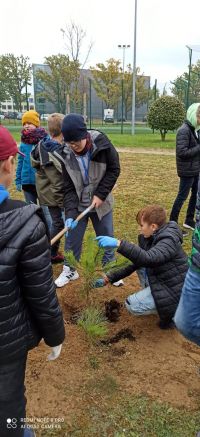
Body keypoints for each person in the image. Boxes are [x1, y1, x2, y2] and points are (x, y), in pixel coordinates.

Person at [0, 126, 65, 437]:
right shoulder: (24, 221)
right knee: (9, 409)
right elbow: (41, 293)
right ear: (8, 164)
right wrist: (55, 336)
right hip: (6, 344)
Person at [54, 113, 121, 288]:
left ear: (85, 135)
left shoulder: (103, 145)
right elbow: (67, 187)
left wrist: (101, 194)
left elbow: (114, 169)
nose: (73, 146)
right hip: (78, 204)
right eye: (69, 142)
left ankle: (110, 269)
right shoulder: (65, 153)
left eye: (76, 141)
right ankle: (70, 269)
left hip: (101, 202)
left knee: (106, 235)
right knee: (72, 238)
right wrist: (69, 213)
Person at [95, 204, 188, 329]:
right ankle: (155, 298)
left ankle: (175, 313)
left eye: (142, 225)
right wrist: (109, 278)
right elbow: (136, 262)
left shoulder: (168, 240)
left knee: (132, 305)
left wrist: (119, 243)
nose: (139, 229)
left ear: (153, 226)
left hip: (176, 289)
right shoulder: (148, 238)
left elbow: (149, 258)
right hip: (163, 280)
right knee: (140, 264)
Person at [31, 113, 65, 263]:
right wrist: (64, 203)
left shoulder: (44, 144)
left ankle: (51, 252)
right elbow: (57, 183)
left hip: (47, 193)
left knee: (57, 223)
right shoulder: (51, 151)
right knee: (58, 223)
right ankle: (49, 253)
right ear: (63, 131)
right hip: (52, 195)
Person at [15, 110, 52, 230]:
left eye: (29, 123)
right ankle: (36, 234)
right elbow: (20, 162)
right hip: (27, 183)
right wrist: (19, 180)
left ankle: (50, 235)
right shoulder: (23, 143)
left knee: (46, 211)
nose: (26, 125)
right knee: (31, 212)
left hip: (42, 184)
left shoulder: (44, 140)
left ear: (36, 124)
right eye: (24, 123)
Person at [174, 173, 200, 346]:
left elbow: (149, 258)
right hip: (197, 261)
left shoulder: (165, 242)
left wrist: (120, 244)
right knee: (185, 323)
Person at [170, 103, 200, 234]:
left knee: (195, 194)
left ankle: (189, 220)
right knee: (182, 196)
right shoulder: (184, 130)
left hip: (195, 169)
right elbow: (182, 152)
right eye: (199, 116)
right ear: (193, 115)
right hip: (187, 170)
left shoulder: (195, 129)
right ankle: (172, 225)